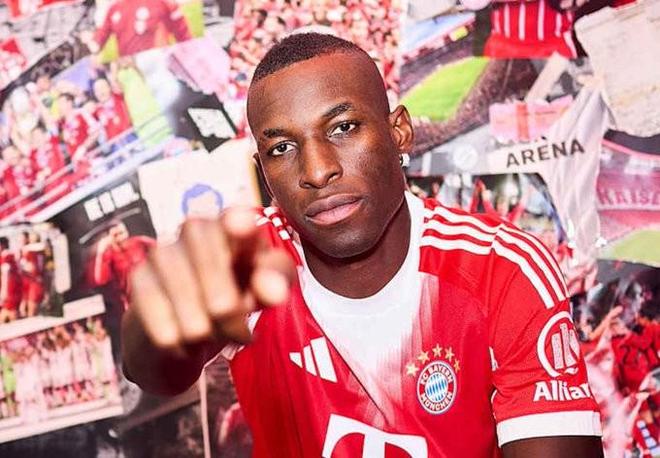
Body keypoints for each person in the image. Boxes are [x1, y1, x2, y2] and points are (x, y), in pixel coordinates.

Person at [123, 33, 604, 457]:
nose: (317, 171)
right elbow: (156, 373)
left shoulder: (500, 268)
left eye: (343, 128)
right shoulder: (250, 259)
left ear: (399, 132)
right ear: (263, 171)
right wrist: (158, 315)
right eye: (282, 148)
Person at [81, 0, 193, 58]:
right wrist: (89, 40)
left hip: (161, 61)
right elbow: (98, 41)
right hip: (133, 68)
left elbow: (183, 34)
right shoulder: (114, 9)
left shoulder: (161, 2)